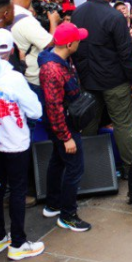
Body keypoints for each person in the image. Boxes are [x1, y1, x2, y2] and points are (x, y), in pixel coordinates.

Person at [0, 29, 45, 261]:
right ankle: (18, 243)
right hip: (15, 143)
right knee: (17, 191)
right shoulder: (14, 78)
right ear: (10, 50)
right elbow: (35, 110)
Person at [71, 0, 132, 183]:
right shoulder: (115, 16)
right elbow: (125, 52)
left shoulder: (78, 13)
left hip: (88, 80)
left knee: (89, 125)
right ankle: (130, 169)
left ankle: (87, 168)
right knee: (123, 125)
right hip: (114, 81)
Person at [39, 22, 92, 232]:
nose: (80, 42)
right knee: (74, 168)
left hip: (63, 124)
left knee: (58, 161)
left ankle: (53, 203)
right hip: (63, 126)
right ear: (69, 44)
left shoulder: (62, 59)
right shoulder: (52, 70)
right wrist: (66, 136)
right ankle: (68, 215)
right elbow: (54, 107)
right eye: (77, 39)